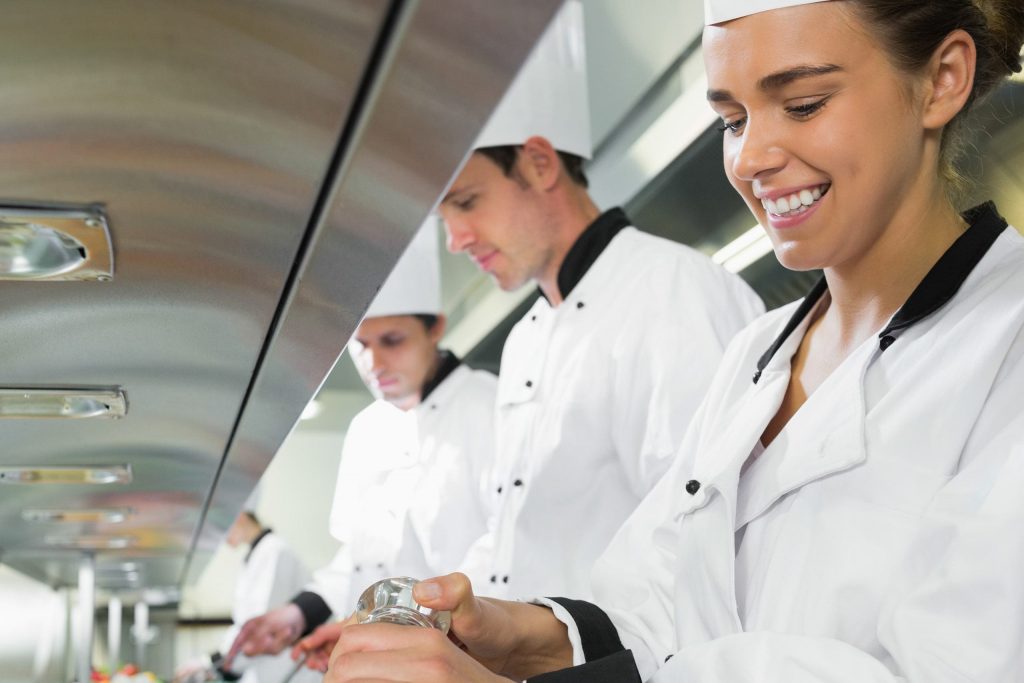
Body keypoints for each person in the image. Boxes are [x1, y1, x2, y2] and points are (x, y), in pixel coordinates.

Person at [318, 0, 1024, 681]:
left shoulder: (1006, 341)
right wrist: (520, 636)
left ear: (943, 79)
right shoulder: (757, 356)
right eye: (732, 119)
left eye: (804, 103)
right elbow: (660, 613)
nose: (751, 157)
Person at [439, 0, 764, 602]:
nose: (455, 240)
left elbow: (702, 544)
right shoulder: (526, 336)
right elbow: (516, 543)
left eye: (465, 203)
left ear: (538, 164)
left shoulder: (673, 294)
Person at [225, 220, 498, 670]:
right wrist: (297, 615)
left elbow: (506, 550)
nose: (373, 362)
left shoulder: (490, 407)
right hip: (391, 662)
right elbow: (359, 555)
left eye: (392, 340)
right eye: (360, 344)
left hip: (474, 661)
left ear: (435, 328)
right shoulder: (366, 428)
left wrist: (404, 627)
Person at [174, 500, 317, 683]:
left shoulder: (274, 551)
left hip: (287, 669)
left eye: (219, 526)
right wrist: (213, 663)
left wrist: (211, 662)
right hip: (267, 669)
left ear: (239, 515)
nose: (219, 536)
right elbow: (245, 624)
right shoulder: (256, 555)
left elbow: (259, 629)